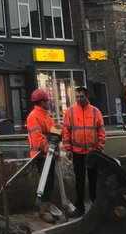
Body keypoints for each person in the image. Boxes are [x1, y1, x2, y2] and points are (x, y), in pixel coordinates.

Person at [62, 86, 105, 217]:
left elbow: (101, 131)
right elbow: (66, 132)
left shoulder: (95, 112)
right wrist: (68, 149)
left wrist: (99, 148)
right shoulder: (70, 112)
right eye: (77, 97)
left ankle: (95, 205)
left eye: (81, 96)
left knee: (93, 180)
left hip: (92, 152)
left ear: (87, 96)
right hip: (77, 152)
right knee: (79, 181)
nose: (79, 99)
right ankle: (79, 207)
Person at [26, 89, 56, 218]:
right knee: (45, 182)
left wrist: (58, 130)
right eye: (47, 100)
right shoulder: (34, 116)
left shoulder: (46, 116)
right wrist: (49, 149)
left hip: (48, 154)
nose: (48, 102)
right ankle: (44, 211)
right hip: (41, 155)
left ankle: (47, 207)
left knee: (50, 182)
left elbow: (52, 133)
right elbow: (37, 138)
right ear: (41, 101)